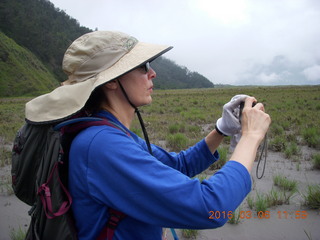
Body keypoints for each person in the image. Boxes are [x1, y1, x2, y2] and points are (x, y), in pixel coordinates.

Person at [25, 31, 271, 240]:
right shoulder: (101, 145)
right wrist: (250, 137)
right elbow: (210, 207)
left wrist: (221, 130)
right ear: (111, 81)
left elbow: (179, 165)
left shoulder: (111, 132)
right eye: (143, 66)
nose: (152, 73)